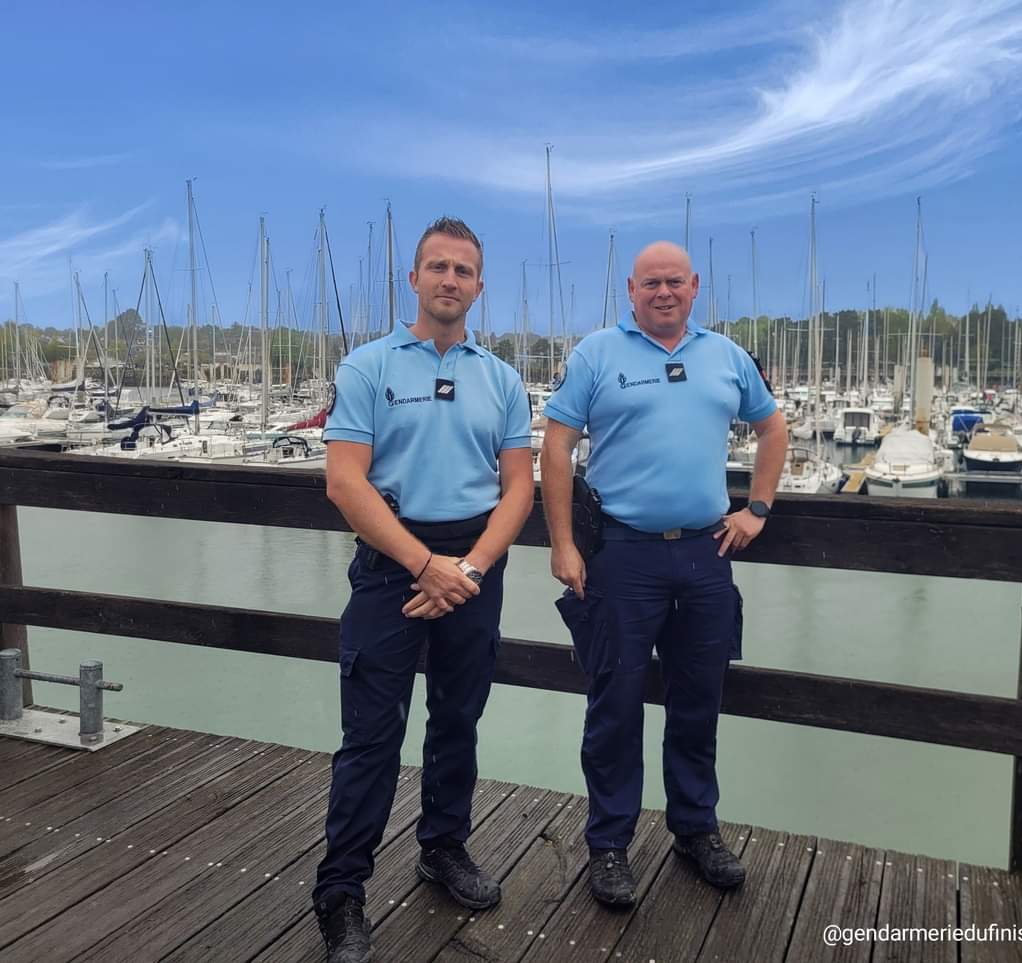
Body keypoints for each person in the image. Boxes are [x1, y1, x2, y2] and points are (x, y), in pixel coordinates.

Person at [312, 217, 534, 963]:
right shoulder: (369, 367)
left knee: (457, 721)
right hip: (390, 566)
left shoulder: (501, 378)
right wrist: (422, 563)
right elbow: (346, 481)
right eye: (437, 266)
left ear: (477, 285)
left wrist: (466, 569)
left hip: (475, 566)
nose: (449, 279)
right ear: (413, 279)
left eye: (463, 270)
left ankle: (443, 847)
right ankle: (341, 892)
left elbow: (518, 491)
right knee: (371, 736)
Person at [539, 240, 786, 908]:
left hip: (705, 555)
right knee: (614, 704)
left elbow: (773, 427)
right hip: (621, 555)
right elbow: (555, 447)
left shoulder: (726, 356)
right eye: (651, 282)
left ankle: (695, 829)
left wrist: (757, 508)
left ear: (695, 285)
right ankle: (610, 842)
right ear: (631, 289)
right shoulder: (597, 353)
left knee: (698, 699)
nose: (664, 292)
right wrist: (563, 543)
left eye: (674, 281)